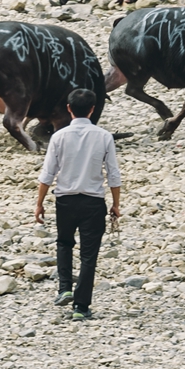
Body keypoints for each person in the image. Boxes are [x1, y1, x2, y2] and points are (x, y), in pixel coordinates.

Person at [33, 89, 121, 320]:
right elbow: (113, 174)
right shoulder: (104, 136)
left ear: (69, 108)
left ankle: (64, 288)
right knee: (88, 255)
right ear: (92, 110)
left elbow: (47, 174)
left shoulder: (59, 137)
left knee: (64, 243)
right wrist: (116, 205)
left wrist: (39, 203)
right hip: (93, 202)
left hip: (65, 200)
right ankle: (81, 307)